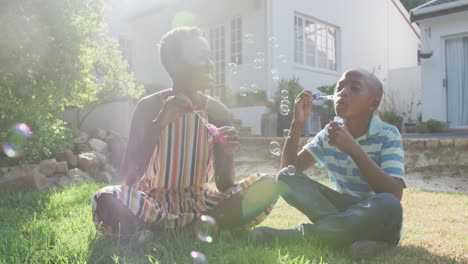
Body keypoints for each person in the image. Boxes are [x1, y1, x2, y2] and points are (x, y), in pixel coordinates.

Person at [92, 26, 278, 239]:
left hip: (201, 205)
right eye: (200, 56)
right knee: (105, 197)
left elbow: (225, 184)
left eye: (209, 56)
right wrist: (159, 122)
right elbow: (128, 178)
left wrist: (227, 151)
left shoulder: (217, 111)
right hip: (153, 203)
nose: (210, 63)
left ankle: (170, 230)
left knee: (269, 185)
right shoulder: (149, 107)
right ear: (175, 63)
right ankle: (200, 228)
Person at [249, 69, 405, 259]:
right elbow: (289, 170)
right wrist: (297, 124)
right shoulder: (328, 133)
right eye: (340, 87)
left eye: (354, 88)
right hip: (340, 210)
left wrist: (353, 148)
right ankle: (352, 239)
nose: (343, 92)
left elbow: (395, 193)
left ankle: (298, 236)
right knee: (285, 177)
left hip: (376, 215)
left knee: (389, 203)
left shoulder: (388, 134)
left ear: (373, 104)